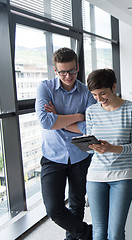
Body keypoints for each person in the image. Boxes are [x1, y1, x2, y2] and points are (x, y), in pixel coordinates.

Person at [35, 47, 96, 240]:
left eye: (72, 70)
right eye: (62, 72)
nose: (68, 76)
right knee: (54, 209)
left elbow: (90, 127)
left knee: (77, 204)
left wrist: (59, 119)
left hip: (80, 154)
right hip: (52, 156)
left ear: (78, 67)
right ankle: (88, 233)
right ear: (55, 71)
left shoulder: (86, 92)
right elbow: (45, 121)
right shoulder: (44, 88)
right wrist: (78, 116)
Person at [85, 69, 132, 240]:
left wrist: (111, 148)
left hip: (123, 174)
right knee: (98, 232)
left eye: (103, 93)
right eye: (94, 95)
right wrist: (89, 146)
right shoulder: (91, 111)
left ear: (114, 86)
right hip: (96, 175)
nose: (99, 99)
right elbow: (90, 147)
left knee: (115, 233)